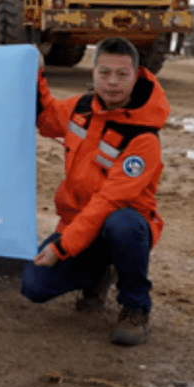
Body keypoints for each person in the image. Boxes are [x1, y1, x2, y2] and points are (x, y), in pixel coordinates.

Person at [22, 36, 169, 346]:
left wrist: (61, 248)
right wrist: (33, 72)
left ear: (137, 74)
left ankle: (135, 307)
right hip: (79, 225)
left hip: (120, 225)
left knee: (122, 224)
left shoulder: (143, 137)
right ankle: (98, 274)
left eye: (122, 74)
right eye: (104, 73)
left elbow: (109, 201)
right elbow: (47, 119)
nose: (112, 82)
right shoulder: (81, 108)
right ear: (93, 72)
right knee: (34, 286)